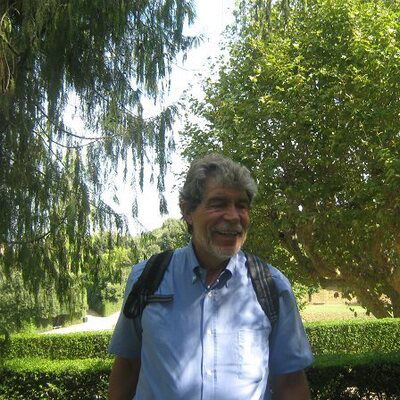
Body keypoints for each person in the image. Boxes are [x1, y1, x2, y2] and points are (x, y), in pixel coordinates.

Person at [108, 154, 313, 400]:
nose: (233, 217)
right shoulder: (148, 278)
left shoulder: (271, 285)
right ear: (187, 211)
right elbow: (128, 366)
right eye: (219, 204)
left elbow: (290, 383)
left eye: (242, 205)